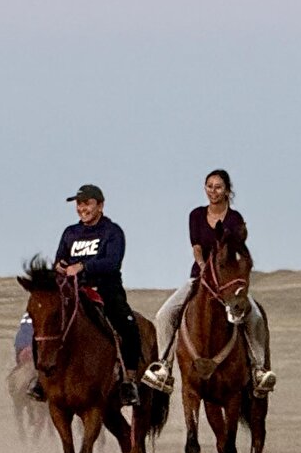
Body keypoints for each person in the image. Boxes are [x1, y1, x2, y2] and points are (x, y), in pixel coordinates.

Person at [142, 170, 277, 396]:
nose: (213, 191)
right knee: (165, 314)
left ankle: (258, 369)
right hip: (200, 277)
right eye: (209, 186)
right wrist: (203, 265)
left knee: (254, 317)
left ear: (227, 191)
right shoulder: (196, 215)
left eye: (218, 187)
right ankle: (163, 366)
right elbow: (196, 245)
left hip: (228, 283)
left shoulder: (235, 219)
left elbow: (236, 249)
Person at [50, 183, 143, 406]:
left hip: (105, 289)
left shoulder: (112, 232)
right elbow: (60, 258)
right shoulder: (70, 232)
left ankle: (129, 381)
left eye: (87, 203)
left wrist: (82, 267)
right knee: (45, 325)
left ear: (100, 205)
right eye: (79, 204)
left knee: (128, 326)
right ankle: (42, 378)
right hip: (74, 291)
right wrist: (60, 266)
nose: (82, 208)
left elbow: (112, 262)